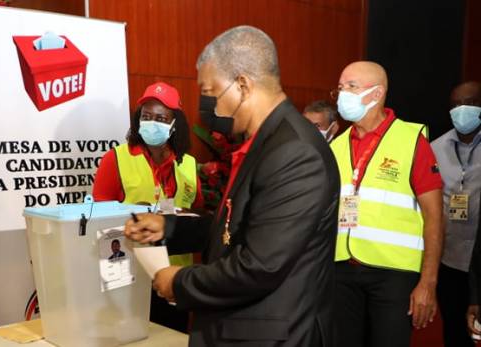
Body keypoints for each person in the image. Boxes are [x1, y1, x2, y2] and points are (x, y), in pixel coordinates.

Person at [124, 25, 339, 346]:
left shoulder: (295, 152)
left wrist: (179, 282)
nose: (209, 106)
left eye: (210, 92)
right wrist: (168, 228)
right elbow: (237, 227)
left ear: (242, 85)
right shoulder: (264, 142)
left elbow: (260, 267)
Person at [329, 61, 443, 347]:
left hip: (393, 275)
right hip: (341, 269)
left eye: (352, 87)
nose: (343, 94)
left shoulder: (411, 140)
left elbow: (435, 218)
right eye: (340, 88)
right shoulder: (335, 146)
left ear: (376, 94)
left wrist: (428, 283)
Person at [93, 81, 203, 333]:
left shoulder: (188, 165)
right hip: (127, 275)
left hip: (173, 276)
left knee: (171, 337)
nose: (153, 122)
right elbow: (98, 217)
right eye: (146, 116)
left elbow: (198, 216)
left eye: (162, 118)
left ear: (175, 124)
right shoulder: (116, 158)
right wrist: (131, 210)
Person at [435, 82, 481, 342]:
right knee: (453, 329)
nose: (462, 109)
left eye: (471, 103)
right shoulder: (435, 148)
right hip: (449, 259)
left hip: (480, 260)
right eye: (455, 105)